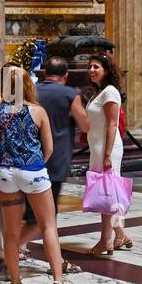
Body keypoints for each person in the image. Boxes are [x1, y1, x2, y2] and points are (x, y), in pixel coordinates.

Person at [0, 66, 69, 284]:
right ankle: (58, 281)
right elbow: (49, 149)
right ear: (28, 84)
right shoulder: (38, 111)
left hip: (6, 175)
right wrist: (34, 164)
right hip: (33, 172)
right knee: (48, 225)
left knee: (11, 233)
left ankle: (14, 282)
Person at [21, 56, 90, 252]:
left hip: (29, 157)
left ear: (45, 72)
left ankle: (22, 247)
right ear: (65, 76)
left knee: (29, 209)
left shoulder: (32, 91)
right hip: (57, 159)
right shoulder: (69, 94)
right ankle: (18, 248)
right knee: (47, 214)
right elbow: (85, 125)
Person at [84, 53, 131, 253]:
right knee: (107, 193)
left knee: (106, 194)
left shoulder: (110, 92)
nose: (91, 70)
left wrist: (107, 154)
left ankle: (106, 241)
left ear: (106, 70)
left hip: (107, 148)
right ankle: (121, 235)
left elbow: (112, 124)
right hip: (98, 147)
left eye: (96, 67)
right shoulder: (99, 92)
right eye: (90, 67)